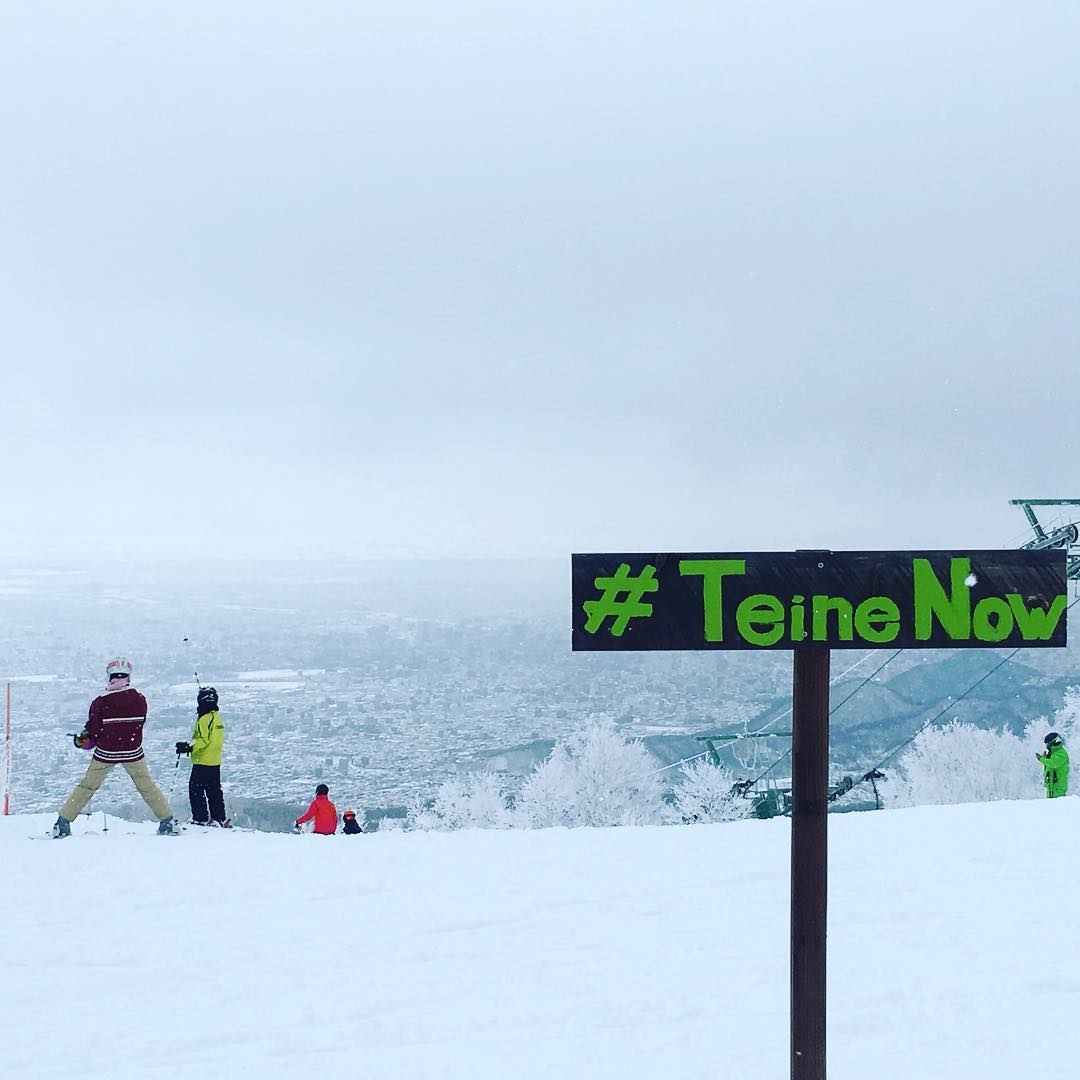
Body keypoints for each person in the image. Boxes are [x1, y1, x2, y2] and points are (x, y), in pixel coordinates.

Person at [53, 658, 179, 838]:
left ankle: (63, 822)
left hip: (106, 752)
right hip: (133, 751)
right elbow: (138, 724)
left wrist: (81, 741)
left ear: (110, 676)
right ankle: (167, 821)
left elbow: (93, 731)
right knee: (147, 786)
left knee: (88, 786)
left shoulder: (100, 701)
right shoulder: (140, 699)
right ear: (129, 677)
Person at [176, 686, 229, 827]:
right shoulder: (217, 717)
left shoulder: (204, 718)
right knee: (214, 790)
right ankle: (219, 817)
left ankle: (200, 818)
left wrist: (188, 747)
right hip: (215, 760)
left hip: (203, 760)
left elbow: (203, 740)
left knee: (196, 789)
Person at [1036, 731, 1069, 798]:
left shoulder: (1062, 753)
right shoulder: (1053, 753)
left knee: (1058, 803)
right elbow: (1049, 765)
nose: (1047, 746)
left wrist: (1041, 759)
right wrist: (1046, 757)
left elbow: (1053, 763)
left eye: (1048, 744)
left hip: (1058, 788)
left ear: (1053, 743)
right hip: (1051, 786)